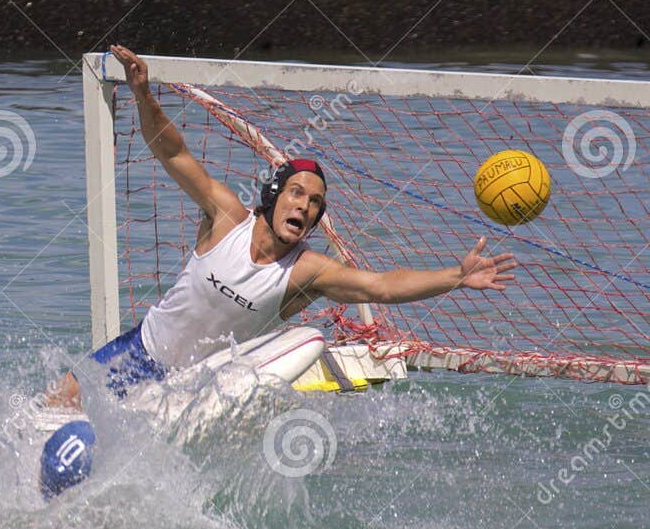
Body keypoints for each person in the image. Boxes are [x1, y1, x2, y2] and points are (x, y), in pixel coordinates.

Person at [37, 44, 518, 492]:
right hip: (138, 351)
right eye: (297, 194)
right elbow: (172, 152)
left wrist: (456, 276)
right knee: (45, 415)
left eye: (316, 204)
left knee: (121, 471)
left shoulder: (305, 272)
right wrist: (142, 92)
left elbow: (381, 287)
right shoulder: (226, 219)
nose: (306, 208)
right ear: (273, 196)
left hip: (202, 390)